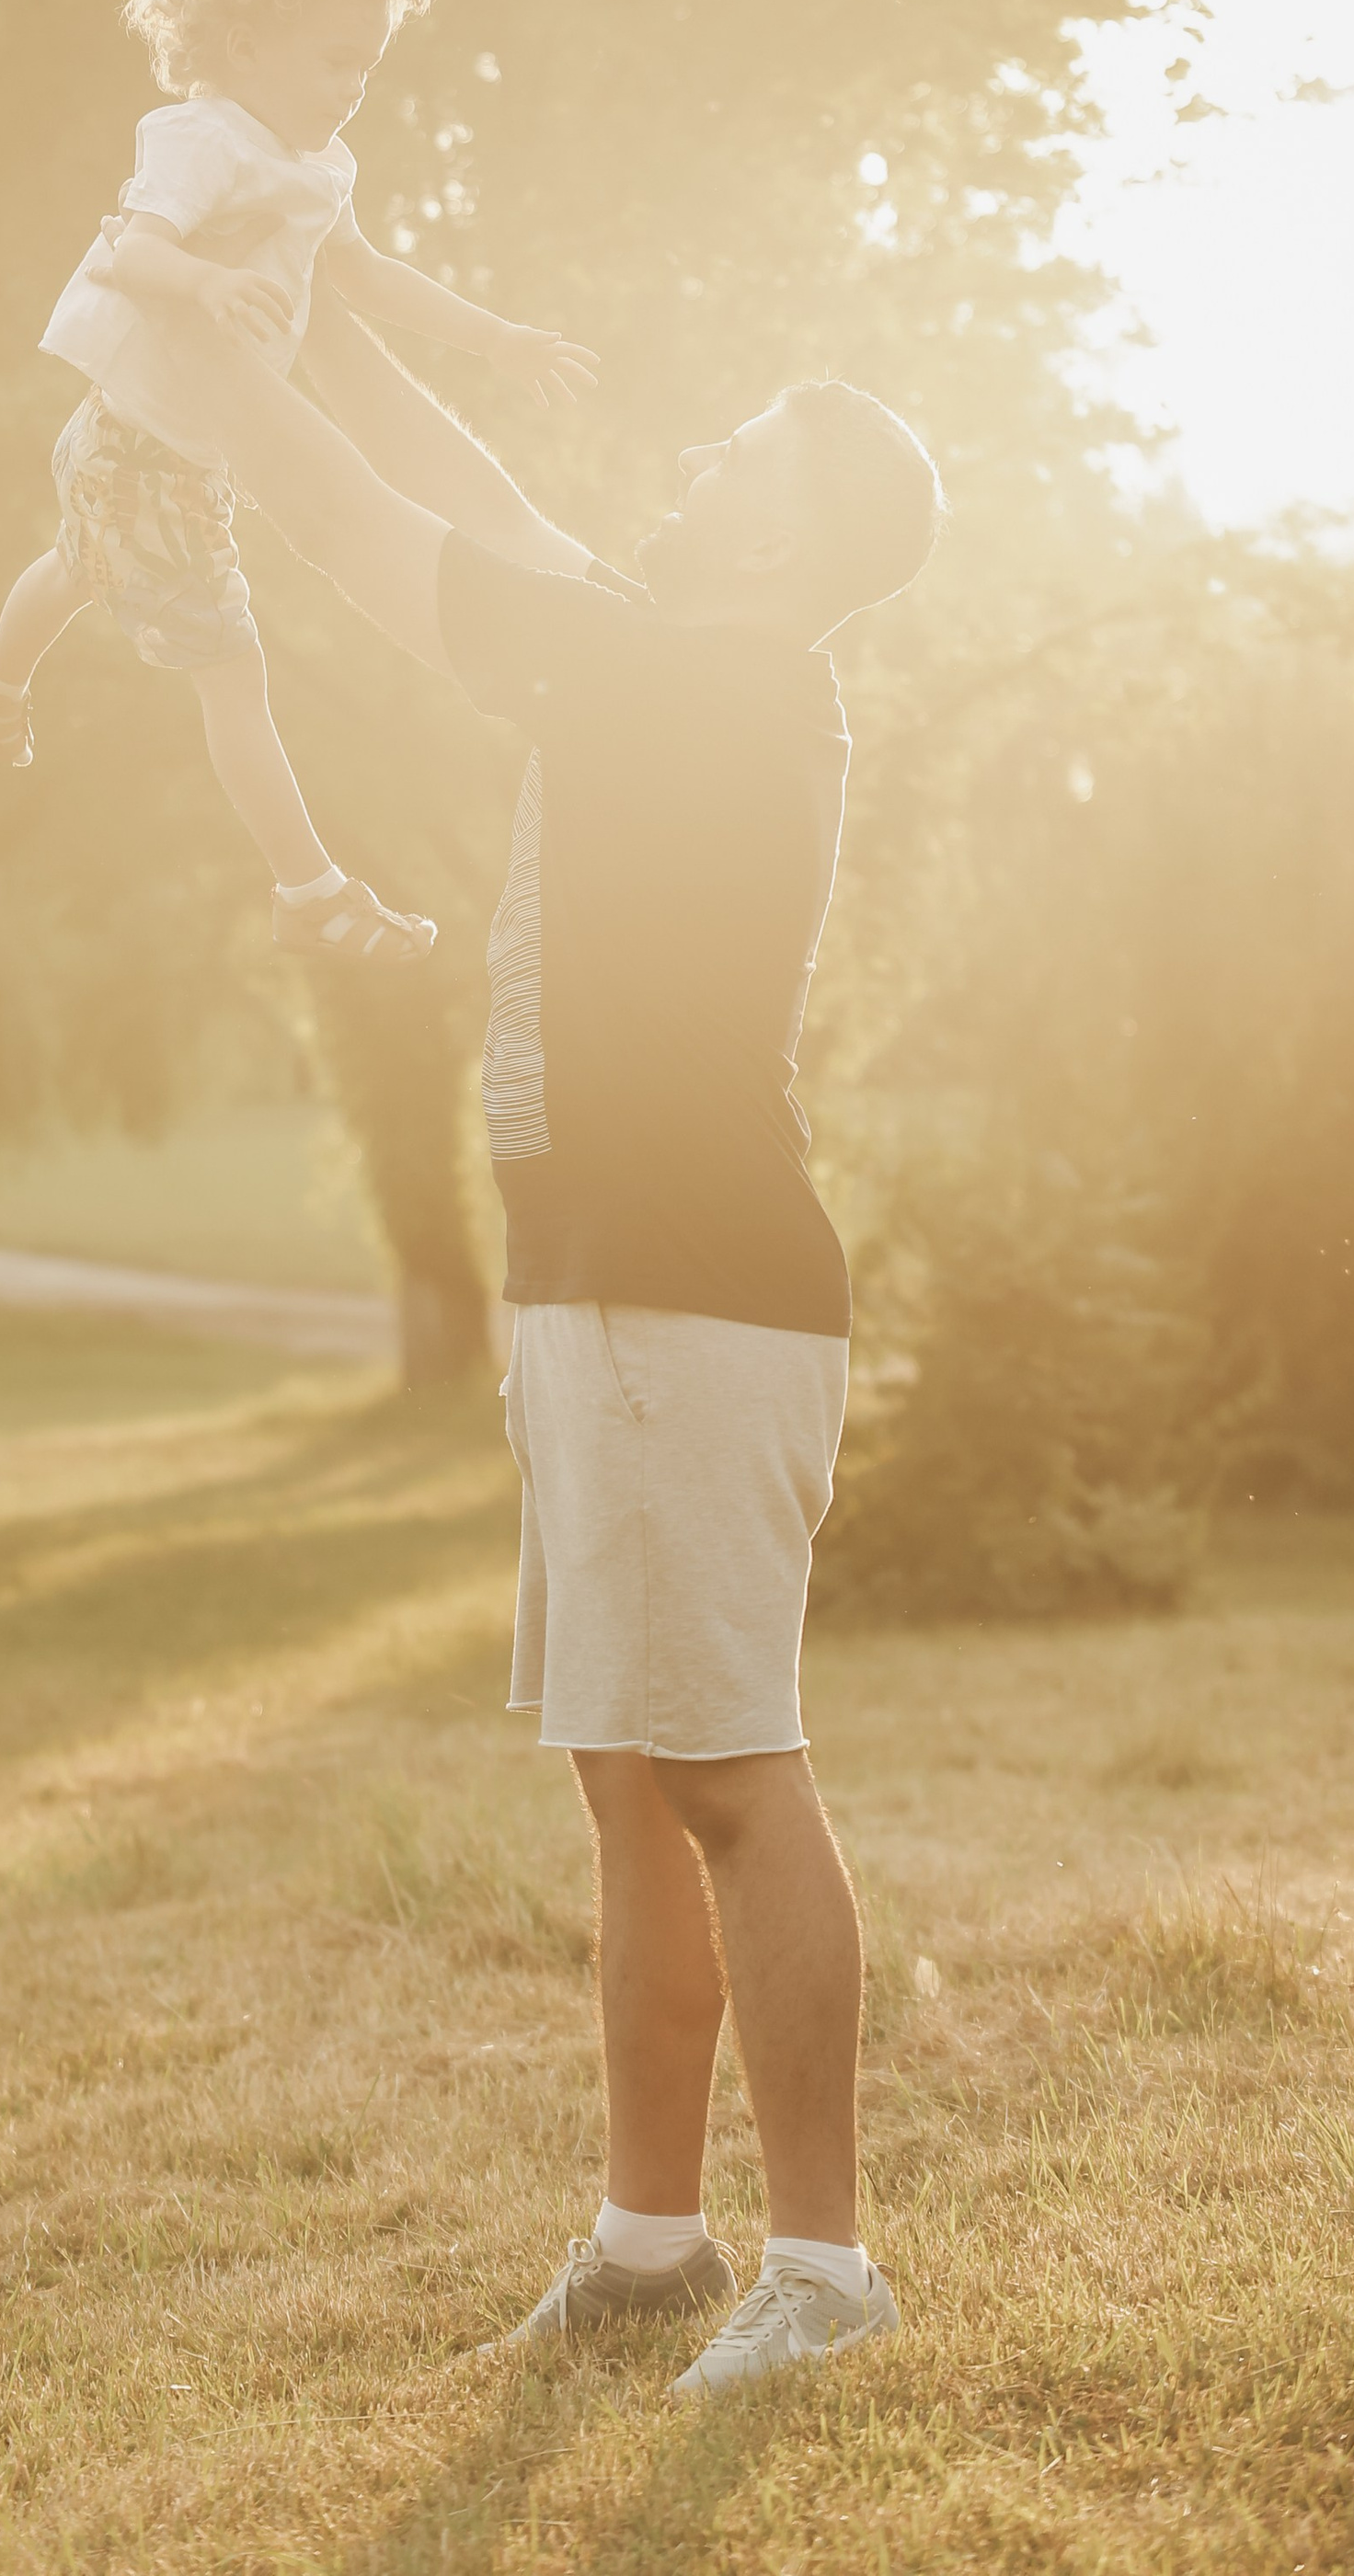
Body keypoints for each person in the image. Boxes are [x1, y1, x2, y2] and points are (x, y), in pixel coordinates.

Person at [130, 277, 945, 2395]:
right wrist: (301, 302)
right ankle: (647, 2238)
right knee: (622, 1770)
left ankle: (827, 2263)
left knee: (725, 1769)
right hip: (591, 1274)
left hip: (692, 1278)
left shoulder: (706, 676)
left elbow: (383, 544)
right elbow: (464, 484)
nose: (692, 463)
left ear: (780, 533)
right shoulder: (663, 654)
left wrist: (196, 353)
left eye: (735, 452)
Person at [0, 0, 596, 965]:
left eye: (366, 69)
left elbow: (365, 276)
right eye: (331, 60)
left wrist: (495, 339)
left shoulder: (320, 167)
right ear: (241, 43)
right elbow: (127, 256)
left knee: (85, 563)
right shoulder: (203, 141)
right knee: (233, 678)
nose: (350, 91)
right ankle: (307, 889)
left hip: (143, 448)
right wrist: (208, 277)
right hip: (146, 450)